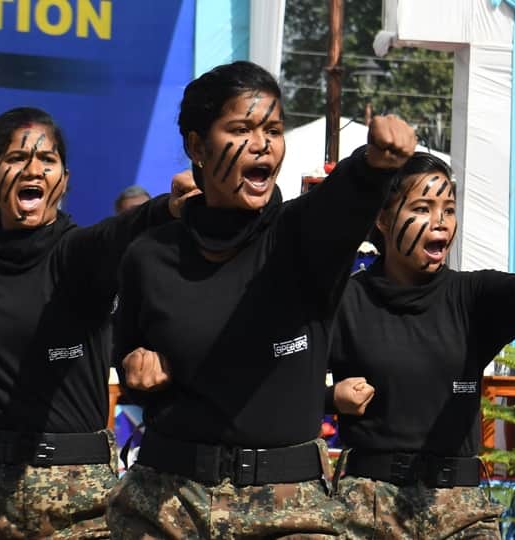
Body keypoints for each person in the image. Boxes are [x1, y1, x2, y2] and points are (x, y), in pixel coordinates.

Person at [108, 61, 415, 538]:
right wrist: (135, 364)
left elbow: (339, 202)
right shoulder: (149, 256)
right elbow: (125, 357)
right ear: (196, 146)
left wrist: (372, 164)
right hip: (167, 502)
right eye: (241, 128)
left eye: (273, 129)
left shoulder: (301, 236)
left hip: (290, 508)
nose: (262, 143)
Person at [0, 106, 197, 538]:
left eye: (47, 160)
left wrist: (167, 208)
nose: (32, 169)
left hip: (78, 498)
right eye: (16, 159)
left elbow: (120, 232)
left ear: (64, 180)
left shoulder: (81, 256)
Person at [327, 152, 515, 538]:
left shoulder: (471, 297)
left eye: (448, 209)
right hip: (369, 507)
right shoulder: (345, 302)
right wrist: (331, 398)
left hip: (461, 508)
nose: (440, 222)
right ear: (382, 218)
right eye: (423, 208)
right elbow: (280, 376)